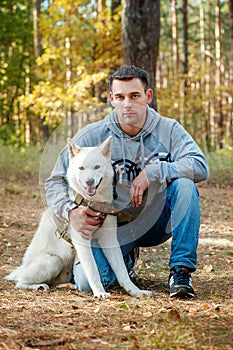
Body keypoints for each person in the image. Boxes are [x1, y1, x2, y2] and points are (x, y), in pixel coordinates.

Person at [45, 65, 209, 298]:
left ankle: (180, 272)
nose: (127, 104)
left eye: (134, 96)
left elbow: (200, 166)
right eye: (120, 97)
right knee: (86, 283)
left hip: (157, 222)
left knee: (185, 186)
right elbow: (55, 180)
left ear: (148, 97)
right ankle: (126, 258)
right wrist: (69, 211)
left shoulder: (169, 129)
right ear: (111, 99)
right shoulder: (93, 135)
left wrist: (155, 171)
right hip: (113, 227)